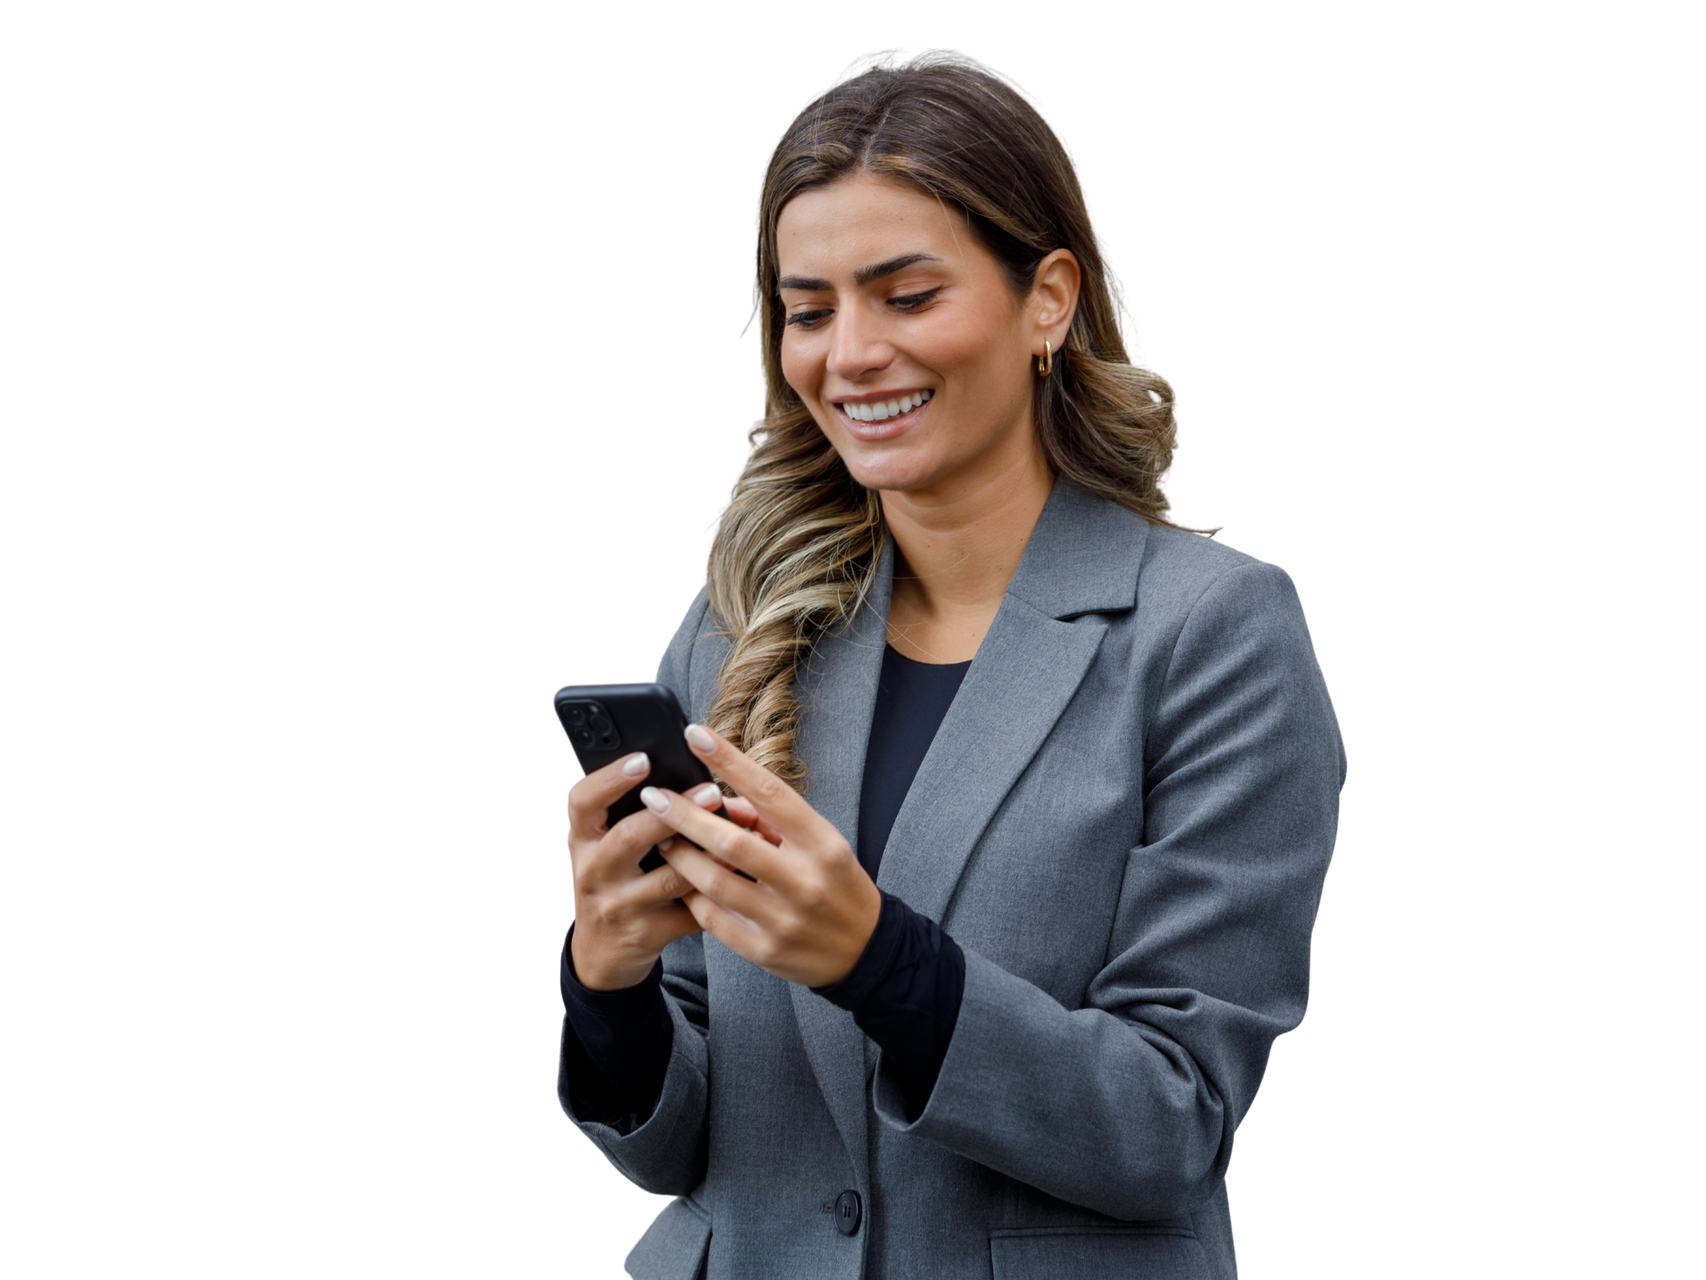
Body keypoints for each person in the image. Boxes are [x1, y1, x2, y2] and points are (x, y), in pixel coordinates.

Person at [555, 44, 1348, 1280]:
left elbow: (1170, 1122)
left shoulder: (1214, 631)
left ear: (1049, 298)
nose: (850, 352)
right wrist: (607, 989)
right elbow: (680, 1143)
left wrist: (878, 961)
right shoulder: (737, 626)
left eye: (907, 294)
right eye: (810, 310)